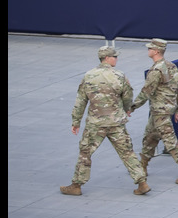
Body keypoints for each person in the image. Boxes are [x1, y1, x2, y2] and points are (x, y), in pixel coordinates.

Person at [60, 45, 150, 196]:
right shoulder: (120, 75)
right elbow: (128, 96)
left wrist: (76, 122)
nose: (116, 59)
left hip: (96, 123)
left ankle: (76, 185)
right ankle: (142, 183)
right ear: (107, 58)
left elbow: (80, 101)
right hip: (116, 123)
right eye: (115, 56)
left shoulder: (89, 75)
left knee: (85, 153)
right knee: (127, 153)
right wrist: (127, 109)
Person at [130, 38, 178, 184]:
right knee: (150, 137)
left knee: (170, 141)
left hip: (160, 111)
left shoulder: (155, 70)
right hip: (164, 110)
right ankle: (143, 167)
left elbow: (146, 92)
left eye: (150, 48)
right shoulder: (172, 66)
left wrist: (132, 107)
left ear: (156, 51)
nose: (148, 50)